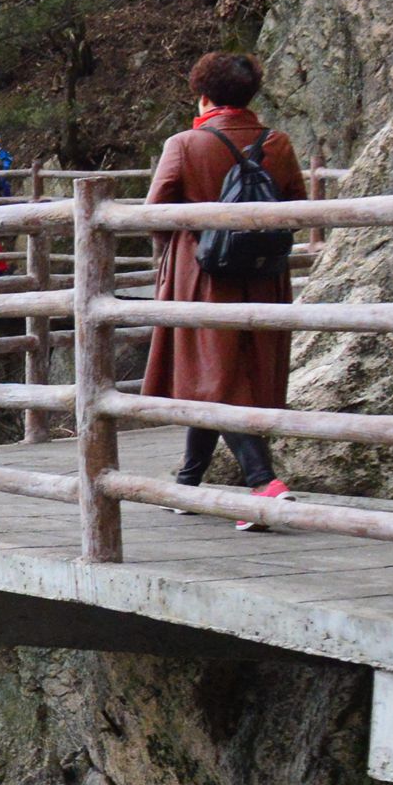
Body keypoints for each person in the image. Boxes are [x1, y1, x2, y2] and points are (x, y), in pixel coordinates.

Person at [142, 50, 309, 518]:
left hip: (202, 274)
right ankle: (188, 484)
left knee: (215, 378)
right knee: (231, 375)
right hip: (262, 276)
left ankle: (264, 482)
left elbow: (157, 212)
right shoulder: (277, 142)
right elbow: (298, 206)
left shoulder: (185, 145)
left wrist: (174, 250)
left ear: (203, 95)